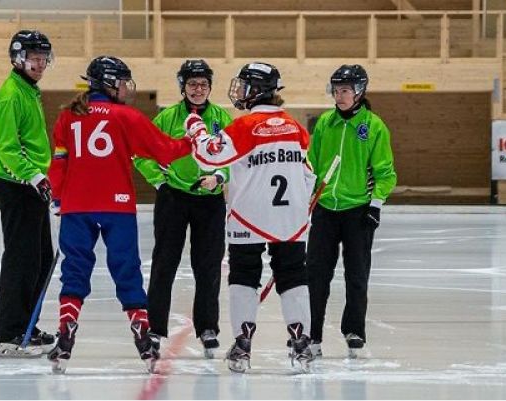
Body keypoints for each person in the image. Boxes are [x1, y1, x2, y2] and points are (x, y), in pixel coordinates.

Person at [46, 56, 194, 373]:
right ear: (111, 82)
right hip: (117, 204)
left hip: (77, 205)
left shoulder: (68, 117)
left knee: (74, 269)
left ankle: (67, 325)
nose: (127, 88)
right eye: (124, 81)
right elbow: (164, 151)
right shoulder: (125, 116)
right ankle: (141, 328)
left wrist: (57, 197)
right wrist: (192, 141)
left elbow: (59, 161)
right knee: (126, 268)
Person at [184, 62, 316, 373]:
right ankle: (300, 343)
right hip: (290, 220)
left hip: (250, 218)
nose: (240, 91)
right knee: (294, 277)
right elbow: (308, 175)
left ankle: (243, 343)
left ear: (257, 91)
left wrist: (196, 128)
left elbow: (208, 156)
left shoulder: (244, 127)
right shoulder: (295, 127)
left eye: (245, 86)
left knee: (244, 276)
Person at [134, 59, 233, 358]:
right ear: (182, 87)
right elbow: (140, 152)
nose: (198, 89)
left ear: (210, 87)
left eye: (203, 85)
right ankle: (155, 326)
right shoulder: (166, 118)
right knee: (164, 263)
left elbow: (233, 158)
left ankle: (207, 327)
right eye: (192, 84)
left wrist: (218, 177)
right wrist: (159, 181)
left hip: (211, 201)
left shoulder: (222, 118)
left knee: (208, 265)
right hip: (173, 199)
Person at [306, 64, 397, 359]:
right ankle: (313, 332)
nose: (339, 95)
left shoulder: (373, 126)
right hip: (324, 210)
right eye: (336, 90)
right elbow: (311, 165)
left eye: (345, 90)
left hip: (357, 212)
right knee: (317, 275)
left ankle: (354, 330)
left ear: (359, 92)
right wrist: (304, 199)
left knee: (357, 276)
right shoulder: (323, 124)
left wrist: (375, 205)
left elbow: (386, 173)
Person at [0, 30, 56, 358]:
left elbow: (33, 143)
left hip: (33, 188)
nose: (40, 64)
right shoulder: (10, 95)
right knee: (21, 260)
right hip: (17, 188)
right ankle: (9, 334)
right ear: (17, 57)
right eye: (34, 58)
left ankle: (28, 324)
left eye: (44, 58)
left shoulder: (30, 90)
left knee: (42, 258)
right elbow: (6, 148)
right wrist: (35, 177)